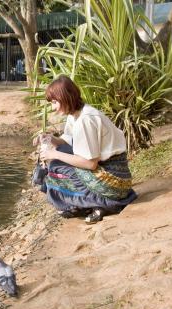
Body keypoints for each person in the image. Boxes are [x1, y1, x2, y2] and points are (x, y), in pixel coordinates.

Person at [37, 75, 137, 224]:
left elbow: (90, 164)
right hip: (113, 173)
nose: (53, 108)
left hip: (113, 180)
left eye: (55, 102)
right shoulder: (77, 114)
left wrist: (53, 153)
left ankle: (103, 203)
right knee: (58, 158)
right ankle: (87, 204)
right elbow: (67, 141)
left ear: (65, 98)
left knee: (55, 169)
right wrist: (50, 138)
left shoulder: (85, 120)